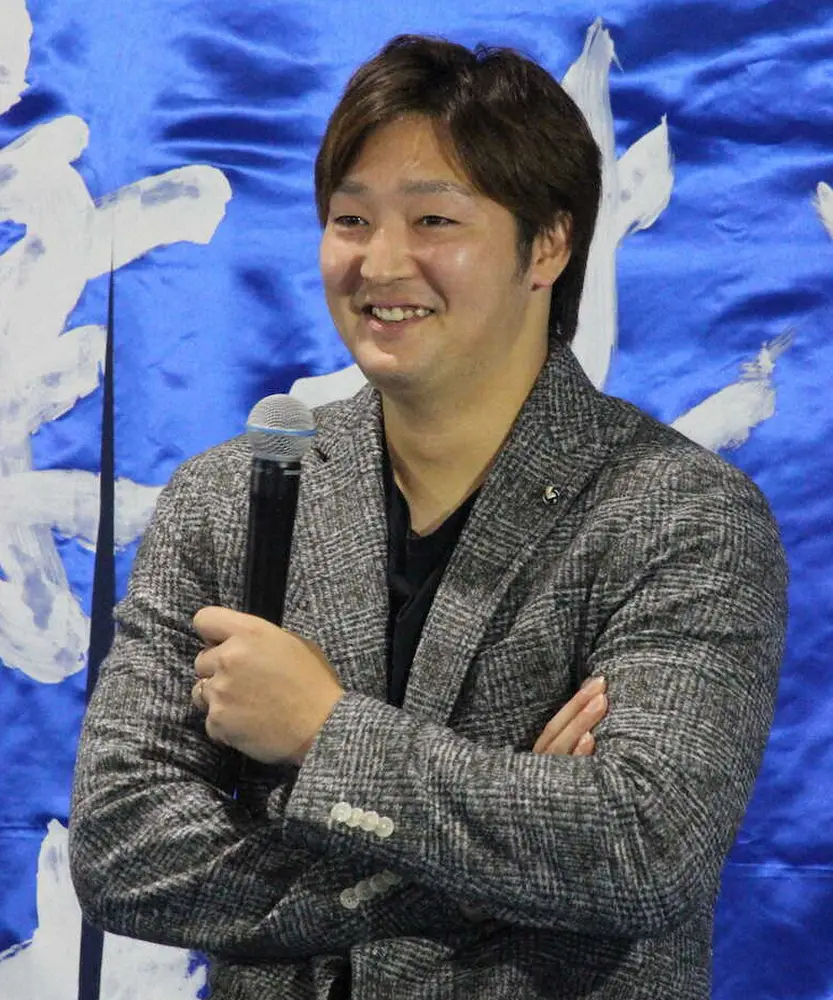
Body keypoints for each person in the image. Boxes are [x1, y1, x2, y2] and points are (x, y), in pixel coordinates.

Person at [69, 34, 787, 1000]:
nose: (380, 262)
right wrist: (500, 863)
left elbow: (643, 848)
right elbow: (121, 847)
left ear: (548, 245)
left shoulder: (680, 513)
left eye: (433, 219)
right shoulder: (228, 495)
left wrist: (322, 733)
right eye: (350, 219)